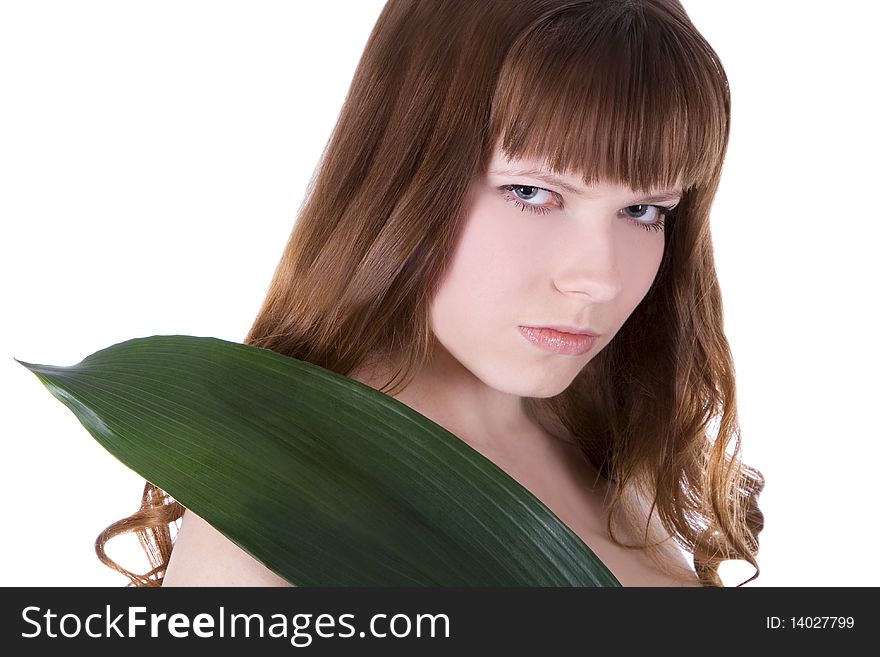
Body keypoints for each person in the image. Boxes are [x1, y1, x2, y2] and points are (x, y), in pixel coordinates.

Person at [96, 0, 764, 587]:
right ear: (404, 177)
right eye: (532, 192)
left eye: (645, 210)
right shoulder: (283, 500)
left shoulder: (620, 455)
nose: (600, 277)